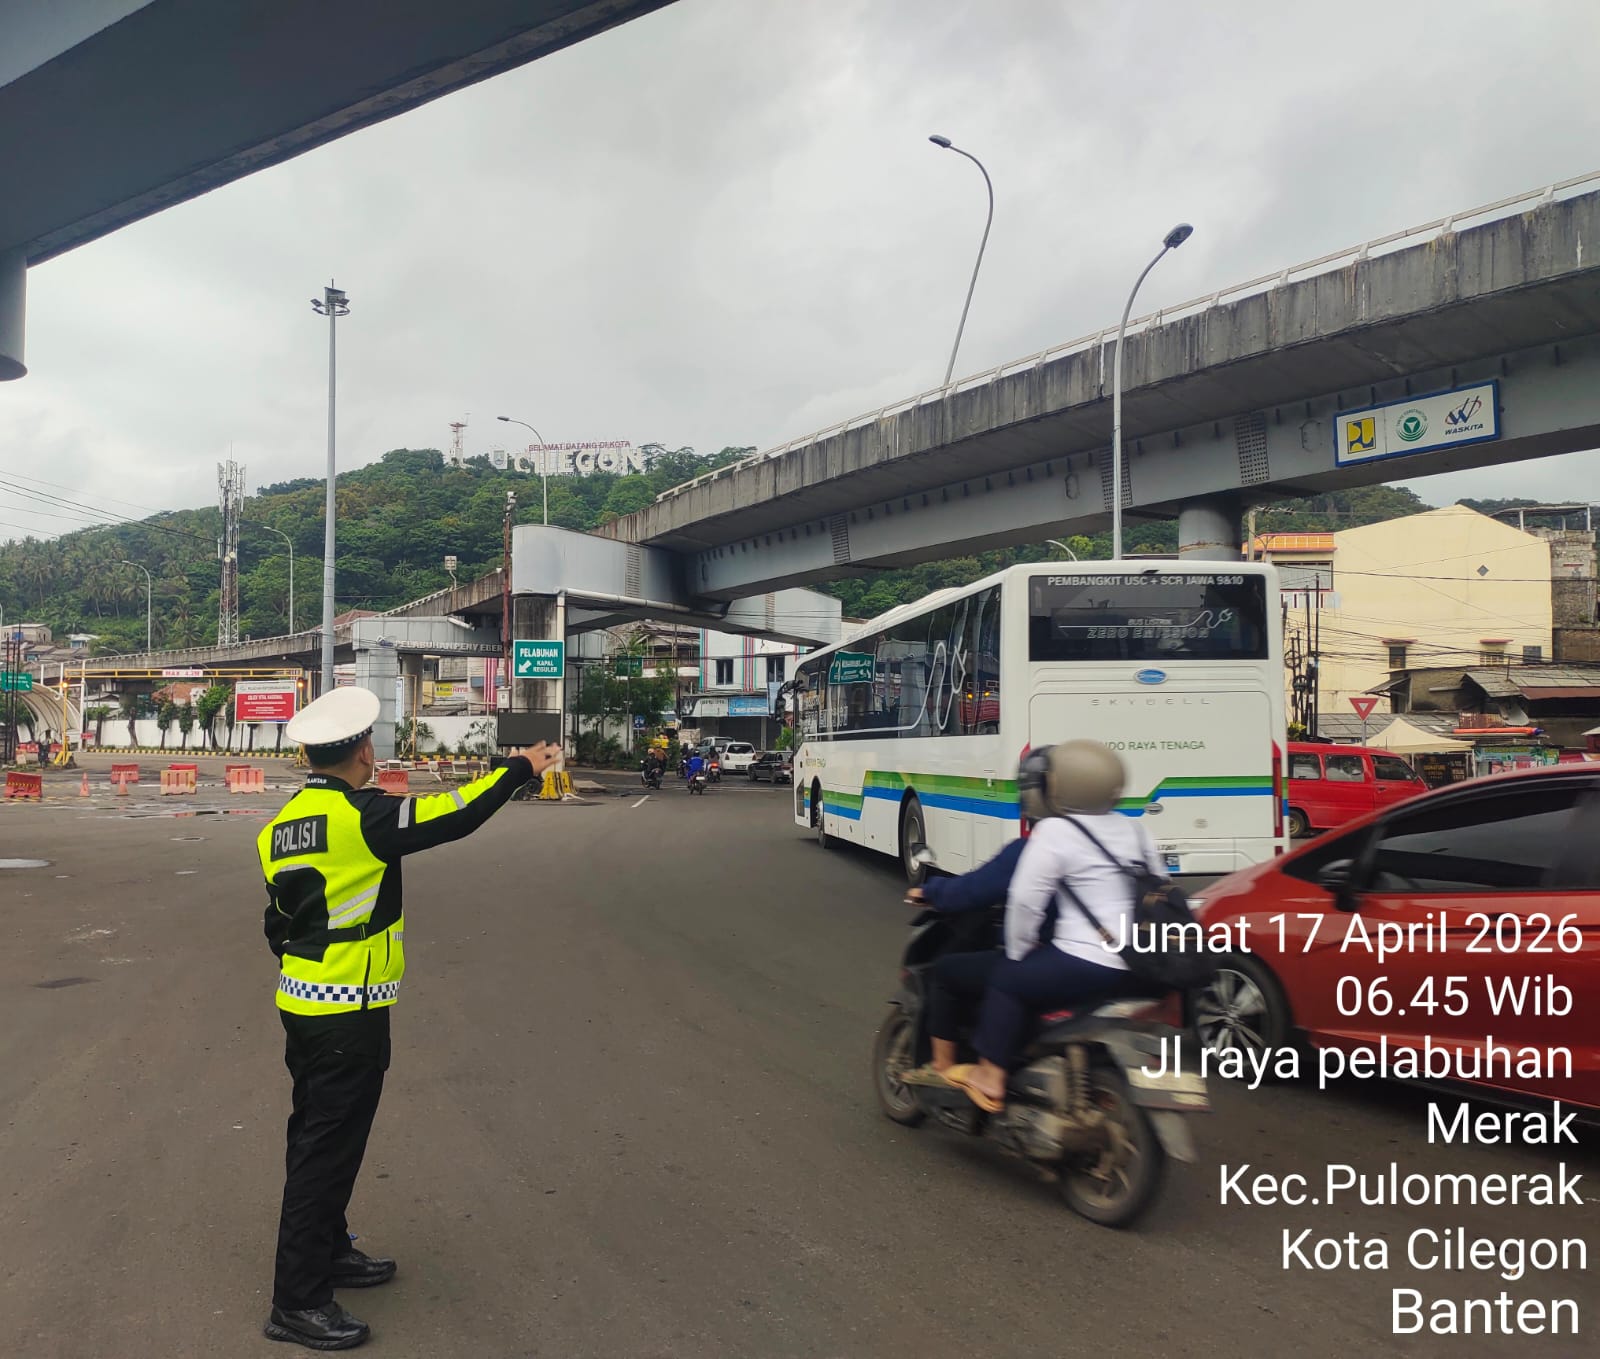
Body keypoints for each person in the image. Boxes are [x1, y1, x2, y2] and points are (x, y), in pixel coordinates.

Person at [257, 687, 558, 1351]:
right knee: (325, 1151)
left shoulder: (280, 825)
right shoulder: (363, 816)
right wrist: (519, 766)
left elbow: (277, 922)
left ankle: (329, 1249)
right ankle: (297, 1300)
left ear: (307, 755)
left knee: (317, 1135)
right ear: (364, 750)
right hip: (349, 1012)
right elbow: (453, 812)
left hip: (302, 1003)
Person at [944, 740, 1157, 1114]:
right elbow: (1158, 887)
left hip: (1089, 963)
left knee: (1007, 978)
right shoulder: (1135, 829)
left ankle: (990, 1075)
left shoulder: (1056, 832)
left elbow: (1026, 901)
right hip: (1144, 964)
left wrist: (1019, 951)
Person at [900, 748, 1052, 1087]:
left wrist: (931, 891)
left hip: (1055, 959)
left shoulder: (1033, 851)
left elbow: (973, 890)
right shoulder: (1114, 842)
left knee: (946, 972)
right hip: (1115, 963)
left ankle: (943, 1068)